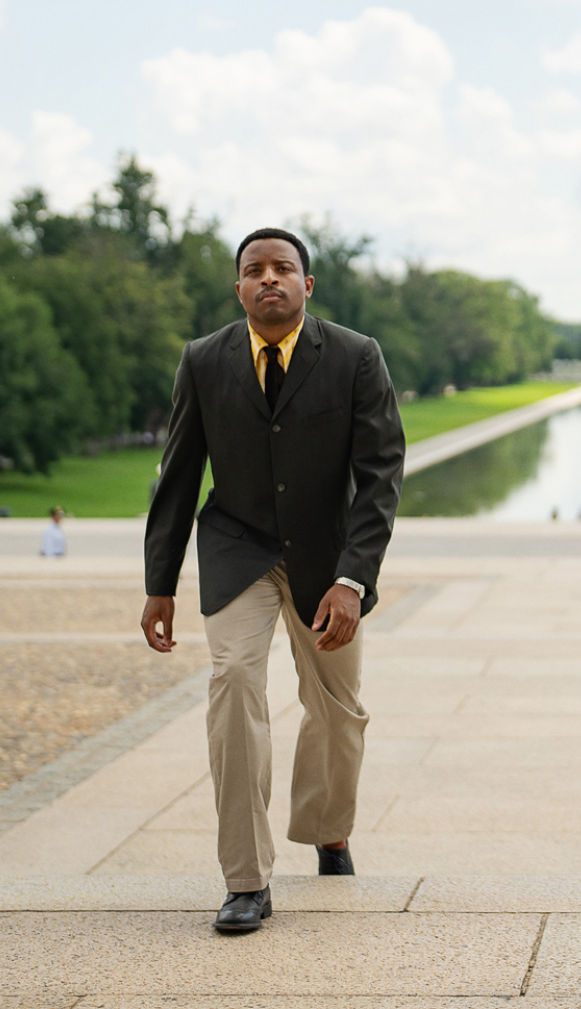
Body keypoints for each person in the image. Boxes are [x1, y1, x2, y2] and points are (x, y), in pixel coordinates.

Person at [142, 227, 405, 934]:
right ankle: (246, 878)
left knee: (337, 708)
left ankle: (328, 828)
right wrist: (159, 581)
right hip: (237, 549)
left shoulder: (355, 356)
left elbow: (381, 476)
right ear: (239, 288)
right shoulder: (203, 360)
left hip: (328, 558)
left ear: (306, 284)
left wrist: (352, 579)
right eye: (254, 270)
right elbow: (177, 474)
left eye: (282, 268)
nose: (269, 279)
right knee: (233, 684)